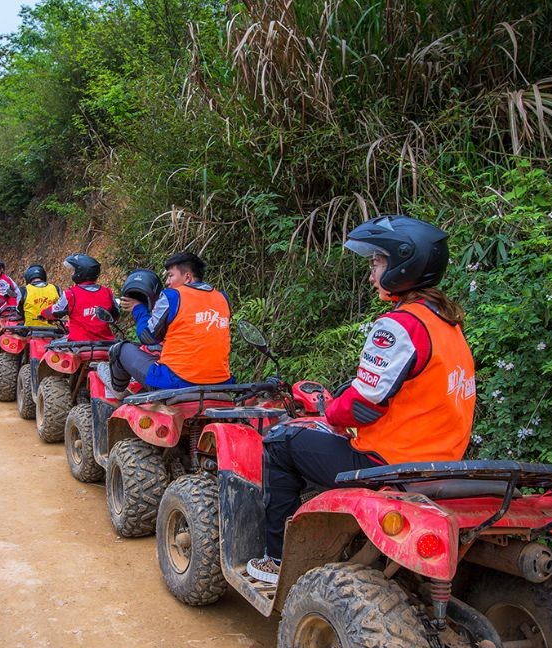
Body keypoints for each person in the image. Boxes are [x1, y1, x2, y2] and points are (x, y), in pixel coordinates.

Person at [246, 215, 477, 584]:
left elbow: (362, 405)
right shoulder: (448, 325)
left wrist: (330, 412)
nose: (372, 274)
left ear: (404, 263)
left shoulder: (401, 324)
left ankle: (275, 560)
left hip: (388, 462)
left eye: (377, 263)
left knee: (279, 442)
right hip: (440, 464)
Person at [107, 251, 232, 394]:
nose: (167, 282)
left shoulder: (172, 296)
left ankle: (119, 394)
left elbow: (147, 336)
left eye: (171, 275)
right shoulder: (222, 298)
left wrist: (138, 309)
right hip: (221, 382)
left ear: (187, 277)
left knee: (121, 349)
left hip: (175, 382)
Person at [40, 253, 118, 341]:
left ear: (80, 272)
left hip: (79, 344)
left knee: (50, 349)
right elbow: (115, 315)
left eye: (73, 271)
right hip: (106, 343)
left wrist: (43, 314)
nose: (72, 273)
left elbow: (55, 311)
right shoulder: (107, 292)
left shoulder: (70, 294)